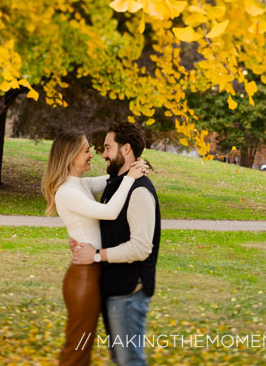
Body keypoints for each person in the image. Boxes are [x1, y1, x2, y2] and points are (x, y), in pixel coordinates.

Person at [42, 132, 149, 365]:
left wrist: (134, 165)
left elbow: (112, 179)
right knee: (77, 350)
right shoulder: (67, 192)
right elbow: (110, 211)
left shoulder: (79, 184)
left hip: (90, 274)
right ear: (71, 157)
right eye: (87, 150)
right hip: (84, 278)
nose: (93, 155)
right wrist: (131, 177)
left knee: (82, 348)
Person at [71, 122, 161, 366]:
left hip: (129, 295)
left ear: (127, 149)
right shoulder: (118, 184)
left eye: (108, 148)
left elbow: (141, 247)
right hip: (114, 291)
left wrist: (97, 255)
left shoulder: (139, 191)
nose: (103, 154)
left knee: (129, 361)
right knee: (120, 360)